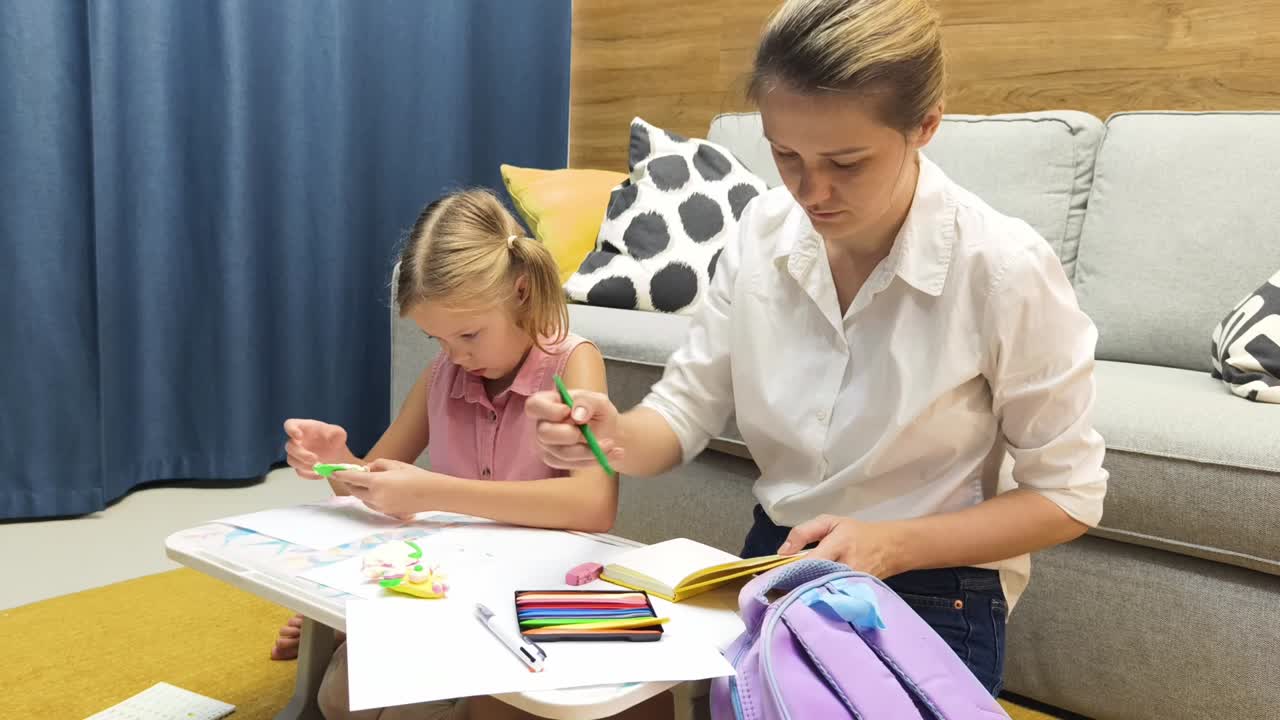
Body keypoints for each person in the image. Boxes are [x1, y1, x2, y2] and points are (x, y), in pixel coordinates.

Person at [527, 0, 1108, 697]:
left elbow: (1069, 497)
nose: (811, 191)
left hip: (932, 582)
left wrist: (891, 545)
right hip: (777, 558)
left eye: (846, 162)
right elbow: (683, 413)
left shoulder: (1002, 267)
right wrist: (611, 433)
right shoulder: (760, 232)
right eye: (785, 155)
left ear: (926, 125)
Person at [279, 188, 617, 719]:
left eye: (469, 335)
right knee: (341, 700)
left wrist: (432, 490)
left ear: (522, 291)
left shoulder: (574, 364)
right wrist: (336, 458)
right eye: (438, 340)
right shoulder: (445, 373)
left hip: (532, 597)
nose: (456, 355)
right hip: (448, 588)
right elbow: (372, 483)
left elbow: (594, 502)